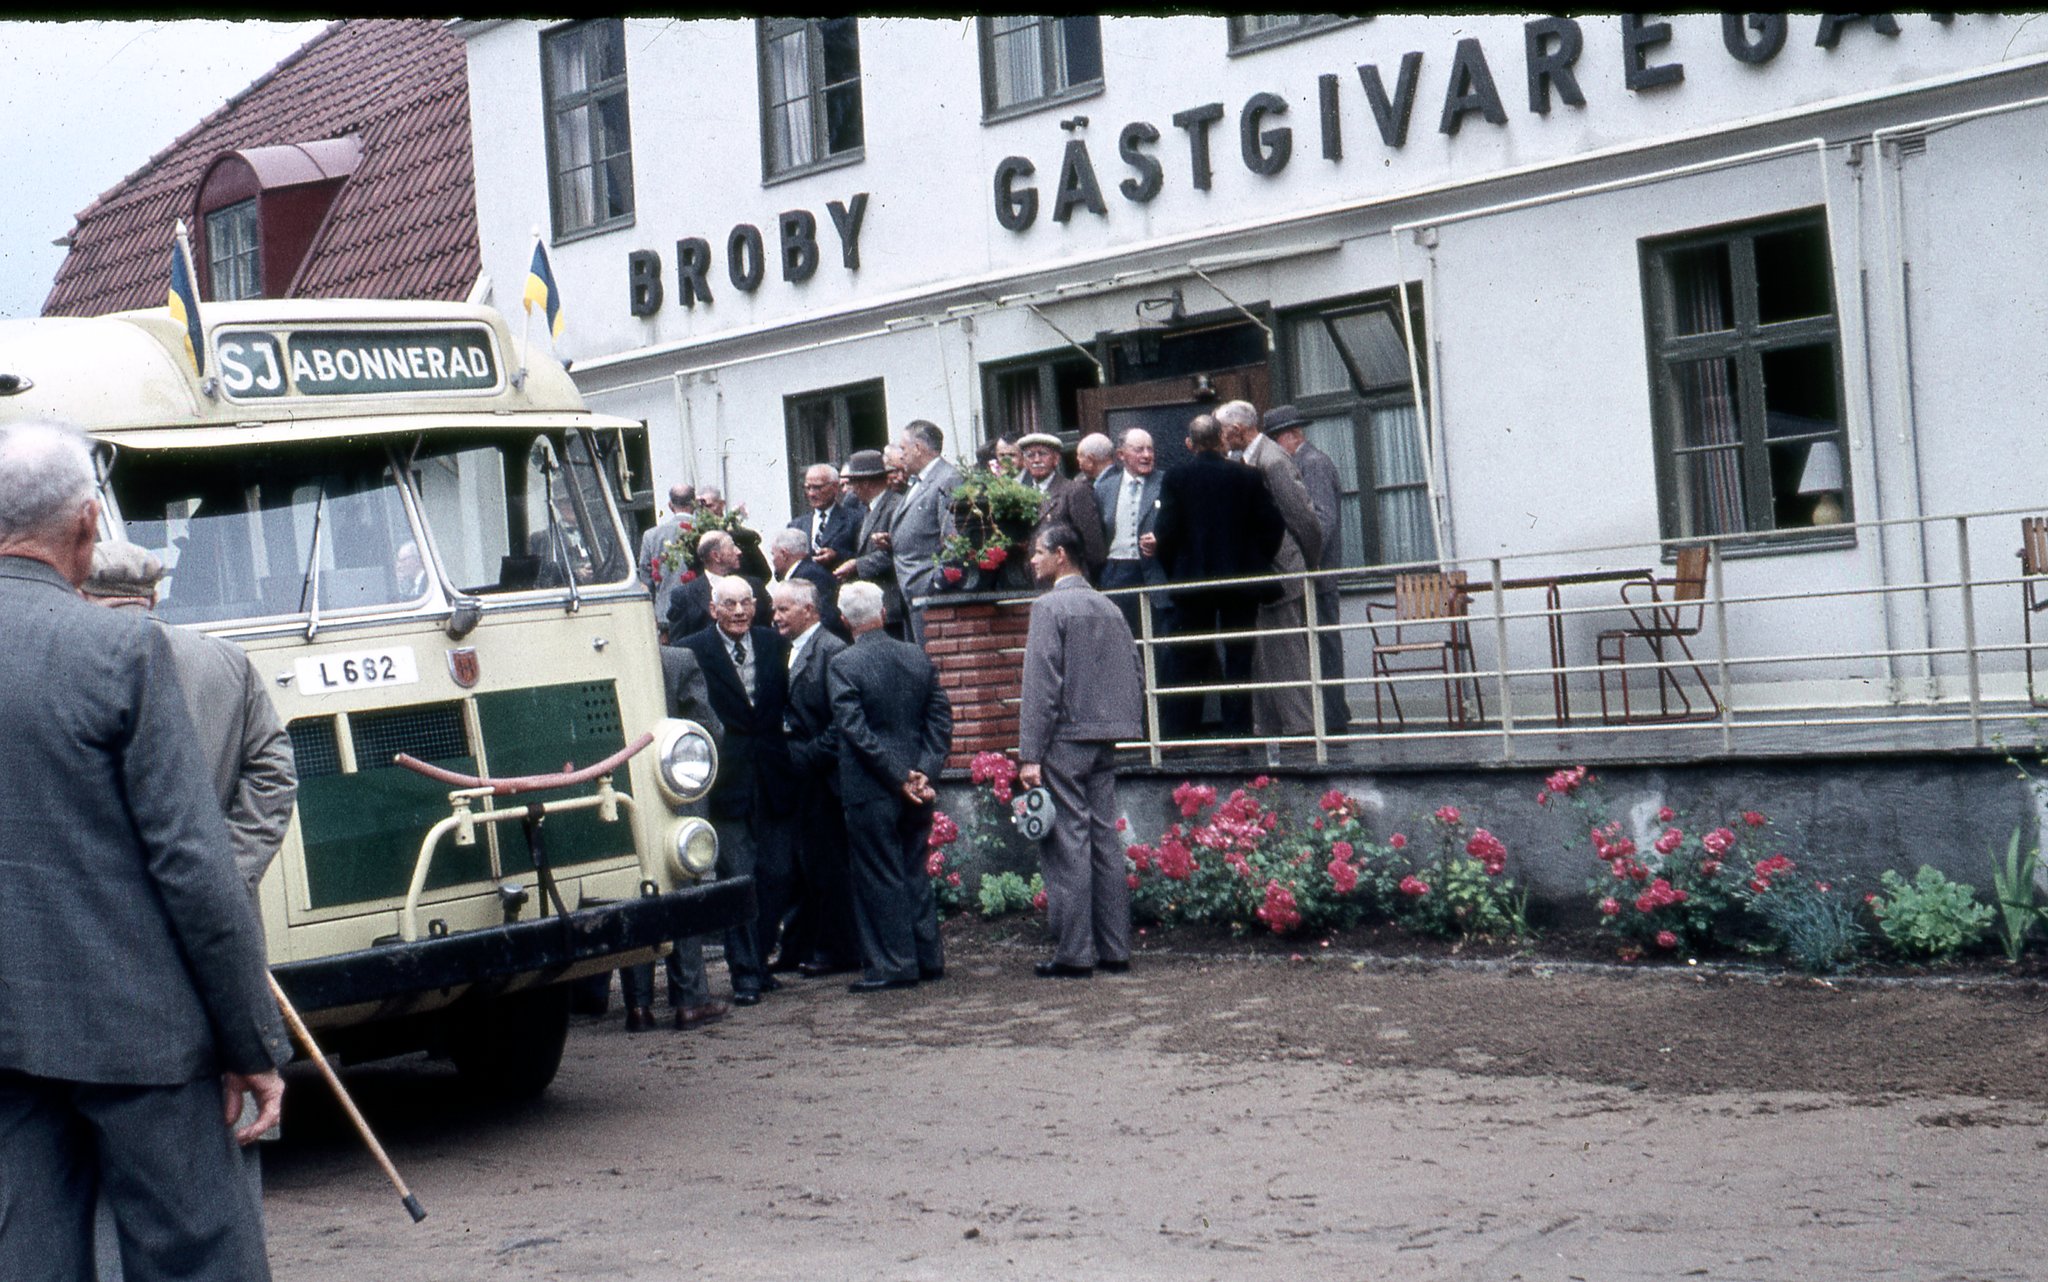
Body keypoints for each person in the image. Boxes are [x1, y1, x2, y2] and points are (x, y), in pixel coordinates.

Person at [0, 421, 289, 1281]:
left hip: (9, 1032)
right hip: (142, 1033)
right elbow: (194, 867)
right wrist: (250, 1043)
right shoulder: (121, 650)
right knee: (198, 1260)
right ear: (89, 524)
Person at [81, 539, 298, 1279]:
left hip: (104, 946)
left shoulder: (74, 665)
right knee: (230, 1125)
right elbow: (273, 775)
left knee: (115, 1156)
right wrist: (222, 878)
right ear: (153, 596)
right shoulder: (222, 662)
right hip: (218, 941)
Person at [1018, 525, 1144, 979]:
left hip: (1065, 738)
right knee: (1104, 840)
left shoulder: (1048, 606)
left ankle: (1075, 952)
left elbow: (1041, 686)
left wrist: (1029, 753)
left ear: (1061, 555)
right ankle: (1114, 949)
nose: (1033, 561)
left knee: (1066, 843)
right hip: (1105, 736)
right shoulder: (1109, 606)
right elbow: (1134, 670)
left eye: (1038, 553)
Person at [827, 580, 953, 991]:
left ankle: (894, 965)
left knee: (878, 875)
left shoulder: (844, 664)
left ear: (845, 621)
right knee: (913, 868)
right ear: (883, 614)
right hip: (916, 783)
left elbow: (855, 731)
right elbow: (940, 719)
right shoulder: (915, 655)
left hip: (872, 788)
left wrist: (898, 777)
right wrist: (923, 771)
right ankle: (927, 957)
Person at [677, 574, 794, 1007]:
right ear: (713, 609)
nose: (741, 611)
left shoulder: (771, 644)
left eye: (747, 602)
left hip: (773, 776)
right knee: (738, 877)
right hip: (726, 780)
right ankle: (745, 973)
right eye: (730, 604)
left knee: (778, 874)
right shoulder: (692, 649)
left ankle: (761, 960)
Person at [1151, 413, 1284, 739]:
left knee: (1188, 658)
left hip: (1193, 582)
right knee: (1238, 658)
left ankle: (1180, 735)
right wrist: (1254, 561)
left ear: (1189, 444)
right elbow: (1272, 526)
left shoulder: (1176, 479)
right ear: (1223, 440)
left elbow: (1164, 533)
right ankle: (1237, 735)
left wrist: (1177, 572)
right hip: (1239, 582)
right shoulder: (1248, 477)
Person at [620, 641, 728, 1032]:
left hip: (621, 795)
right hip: (675, 794)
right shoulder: (678, 659)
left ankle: (639, 1006)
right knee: (682, 895)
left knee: (635, 894)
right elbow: (708, 726)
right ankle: (690, 1001)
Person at [1217, 399, 1323, 739]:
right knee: (1266, 659)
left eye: (1223, 430)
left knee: (1287, 659)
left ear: (1237, 429)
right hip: (1263, 574)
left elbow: (1303, 518)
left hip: (1282, 571)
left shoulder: (1273, 459)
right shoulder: (1243, 460)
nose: (1221, 436)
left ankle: (1302, 731)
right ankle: (1276, 731)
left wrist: (1305, 564)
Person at [771, 578, 858, 976]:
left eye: (783, 609)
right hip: (796, 777)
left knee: (828, 867)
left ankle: (835, 949)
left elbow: (843, 722)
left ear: (809, 610)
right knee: (799, 866)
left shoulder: (832, 651)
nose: (775, 617)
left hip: (824, 778)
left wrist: (807, 757)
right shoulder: (785, 650)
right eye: (774, 609)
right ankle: (797, 946)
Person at [1265, 405, 1349, 734]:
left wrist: (1307, 563)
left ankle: (1332, 720)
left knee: (1323, 645)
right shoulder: (1305, 462)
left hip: (1318, 576)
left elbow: (1323, 521)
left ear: (1288, 436)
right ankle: (1330, 717)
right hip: (1315, 575)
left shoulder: (1311, 463)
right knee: (1318, 645)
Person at [889, 420, 962, 644]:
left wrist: (935, 584)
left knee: (934, 663)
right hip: (912, 591)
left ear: (918, 448)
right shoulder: (918, 482)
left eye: (903, 448)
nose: (900, 456)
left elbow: (955, 538)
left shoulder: (948, 479)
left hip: (928, 591)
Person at [1094, 427, 1168, 639]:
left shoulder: (1166, 483)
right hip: (1118, 570)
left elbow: (1181, 524)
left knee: (1158, 640)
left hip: (1155, 570)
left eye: (1150, 449)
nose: (1146, 455)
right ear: (1121, 455)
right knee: (1123, 637)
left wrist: (1161, 538)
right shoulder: (1104, 489)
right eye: (1139, 450)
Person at [835, 448, 906, 639]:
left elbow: (897, 552)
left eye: (853, 483)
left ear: (865, 483)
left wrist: (856, 565)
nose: (851, 489)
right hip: (881, 607)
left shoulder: (895, 507)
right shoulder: (870, 509)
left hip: (892, 607)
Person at [1019, 431, 1107, 578]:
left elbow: (1094, 547)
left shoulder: (1074, 491)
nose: (1036, 460)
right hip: (1033, 583)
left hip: (1066, 580)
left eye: (1042, 454)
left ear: (1056, 459)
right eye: (1030, 455)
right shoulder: (1020, 495)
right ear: (1024, 462)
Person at [665, 529, 770, 643]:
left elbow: (769, 630)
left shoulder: (755, 586)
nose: (739, 552)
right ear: (716, 556)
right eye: (732, 547)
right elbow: (678, 646)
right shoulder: (685, 596)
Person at [768, 526, 847, 640]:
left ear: (784, 554)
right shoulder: (808, 572)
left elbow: (827, 617)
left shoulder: (811, 576)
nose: (773, 560)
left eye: (773, 554)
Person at [640, 482, 697, 634]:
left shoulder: (651, 535)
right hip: (702, 610)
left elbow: (646, 577)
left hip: (666, 612)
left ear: (670, 505)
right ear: (695, 503)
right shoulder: (706, 530)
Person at [788, 462, 862, 569]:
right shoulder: (796, 525)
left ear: (835, 488)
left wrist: (837, 556)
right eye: (808, 488)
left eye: (817, 488)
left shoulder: (854, 520)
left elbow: (863, 557)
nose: (811, 494)